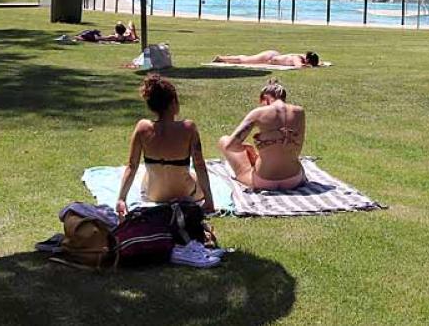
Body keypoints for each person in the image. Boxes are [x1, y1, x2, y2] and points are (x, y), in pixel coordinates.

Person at [115, 75, 214, 216]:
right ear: (173, 102)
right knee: (193, 175)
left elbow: (132, 166)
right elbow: (199, 165)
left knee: (148, 174)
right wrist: (209, 200)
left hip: (153, 195)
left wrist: (121, 198)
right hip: (186, 194)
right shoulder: (188, 128)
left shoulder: (142, 128)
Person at [218, 79, 306, 191]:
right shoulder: (300, 112)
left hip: (264, 181)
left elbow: (231, 146)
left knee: (224, 140)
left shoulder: (259, 113)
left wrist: (246, 147)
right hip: (294, 179)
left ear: (265, 98)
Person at [212, 50, 319, 68]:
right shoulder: (297, 58)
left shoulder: (301, 56)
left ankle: (226, 57)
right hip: (269, 57)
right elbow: (299, 66)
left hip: (273, 56)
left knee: (246, 59)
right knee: (244, 60)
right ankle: (221, 58)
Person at [73, 21, 139, 43]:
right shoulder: (127, 37)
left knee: (87, 33)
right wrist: (131, 30)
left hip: (98, 37)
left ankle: (77, 37)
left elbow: (100, 38)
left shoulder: (113, 37)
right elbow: (131, 23)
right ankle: (78, 37)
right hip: (123, 36)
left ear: (116, 30)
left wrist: (96, 35)